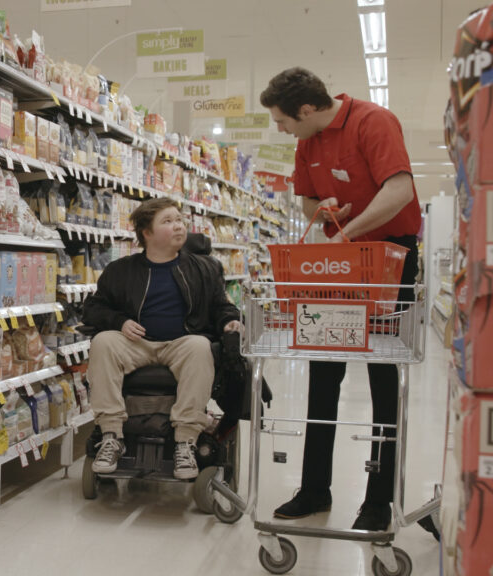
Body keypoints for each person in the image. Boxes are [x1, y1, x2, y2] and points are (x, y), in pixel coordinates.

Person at [259, 67, 422, 532]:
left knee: (384, 379)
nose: (280, 129)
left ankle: (378, 499)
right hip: (337, 264)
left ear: (306, 109)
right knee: (322, 370)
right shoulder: (307, 142)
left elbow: (400, 189)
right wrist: (325, 210)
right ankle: (314, 488)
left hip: (389, 260)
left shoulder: (373, 121)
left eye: (282, 120)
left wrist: (347, 232)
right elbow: (308, 202)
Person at [82, 197, 242, 480]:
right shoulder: (120, 271)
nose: (179, 226)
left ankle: (185, 441)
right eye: (167, 221)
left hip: (181, 343)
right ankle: (111, 436)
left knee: (199, 346)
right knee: (103, 342)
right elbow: (94, 308)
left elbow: (221, 305)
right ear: (147, 233)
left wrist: (230, 320)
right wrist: (119, 322)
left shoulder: (205, 269)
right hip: (135, 344)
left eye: (179, 219)